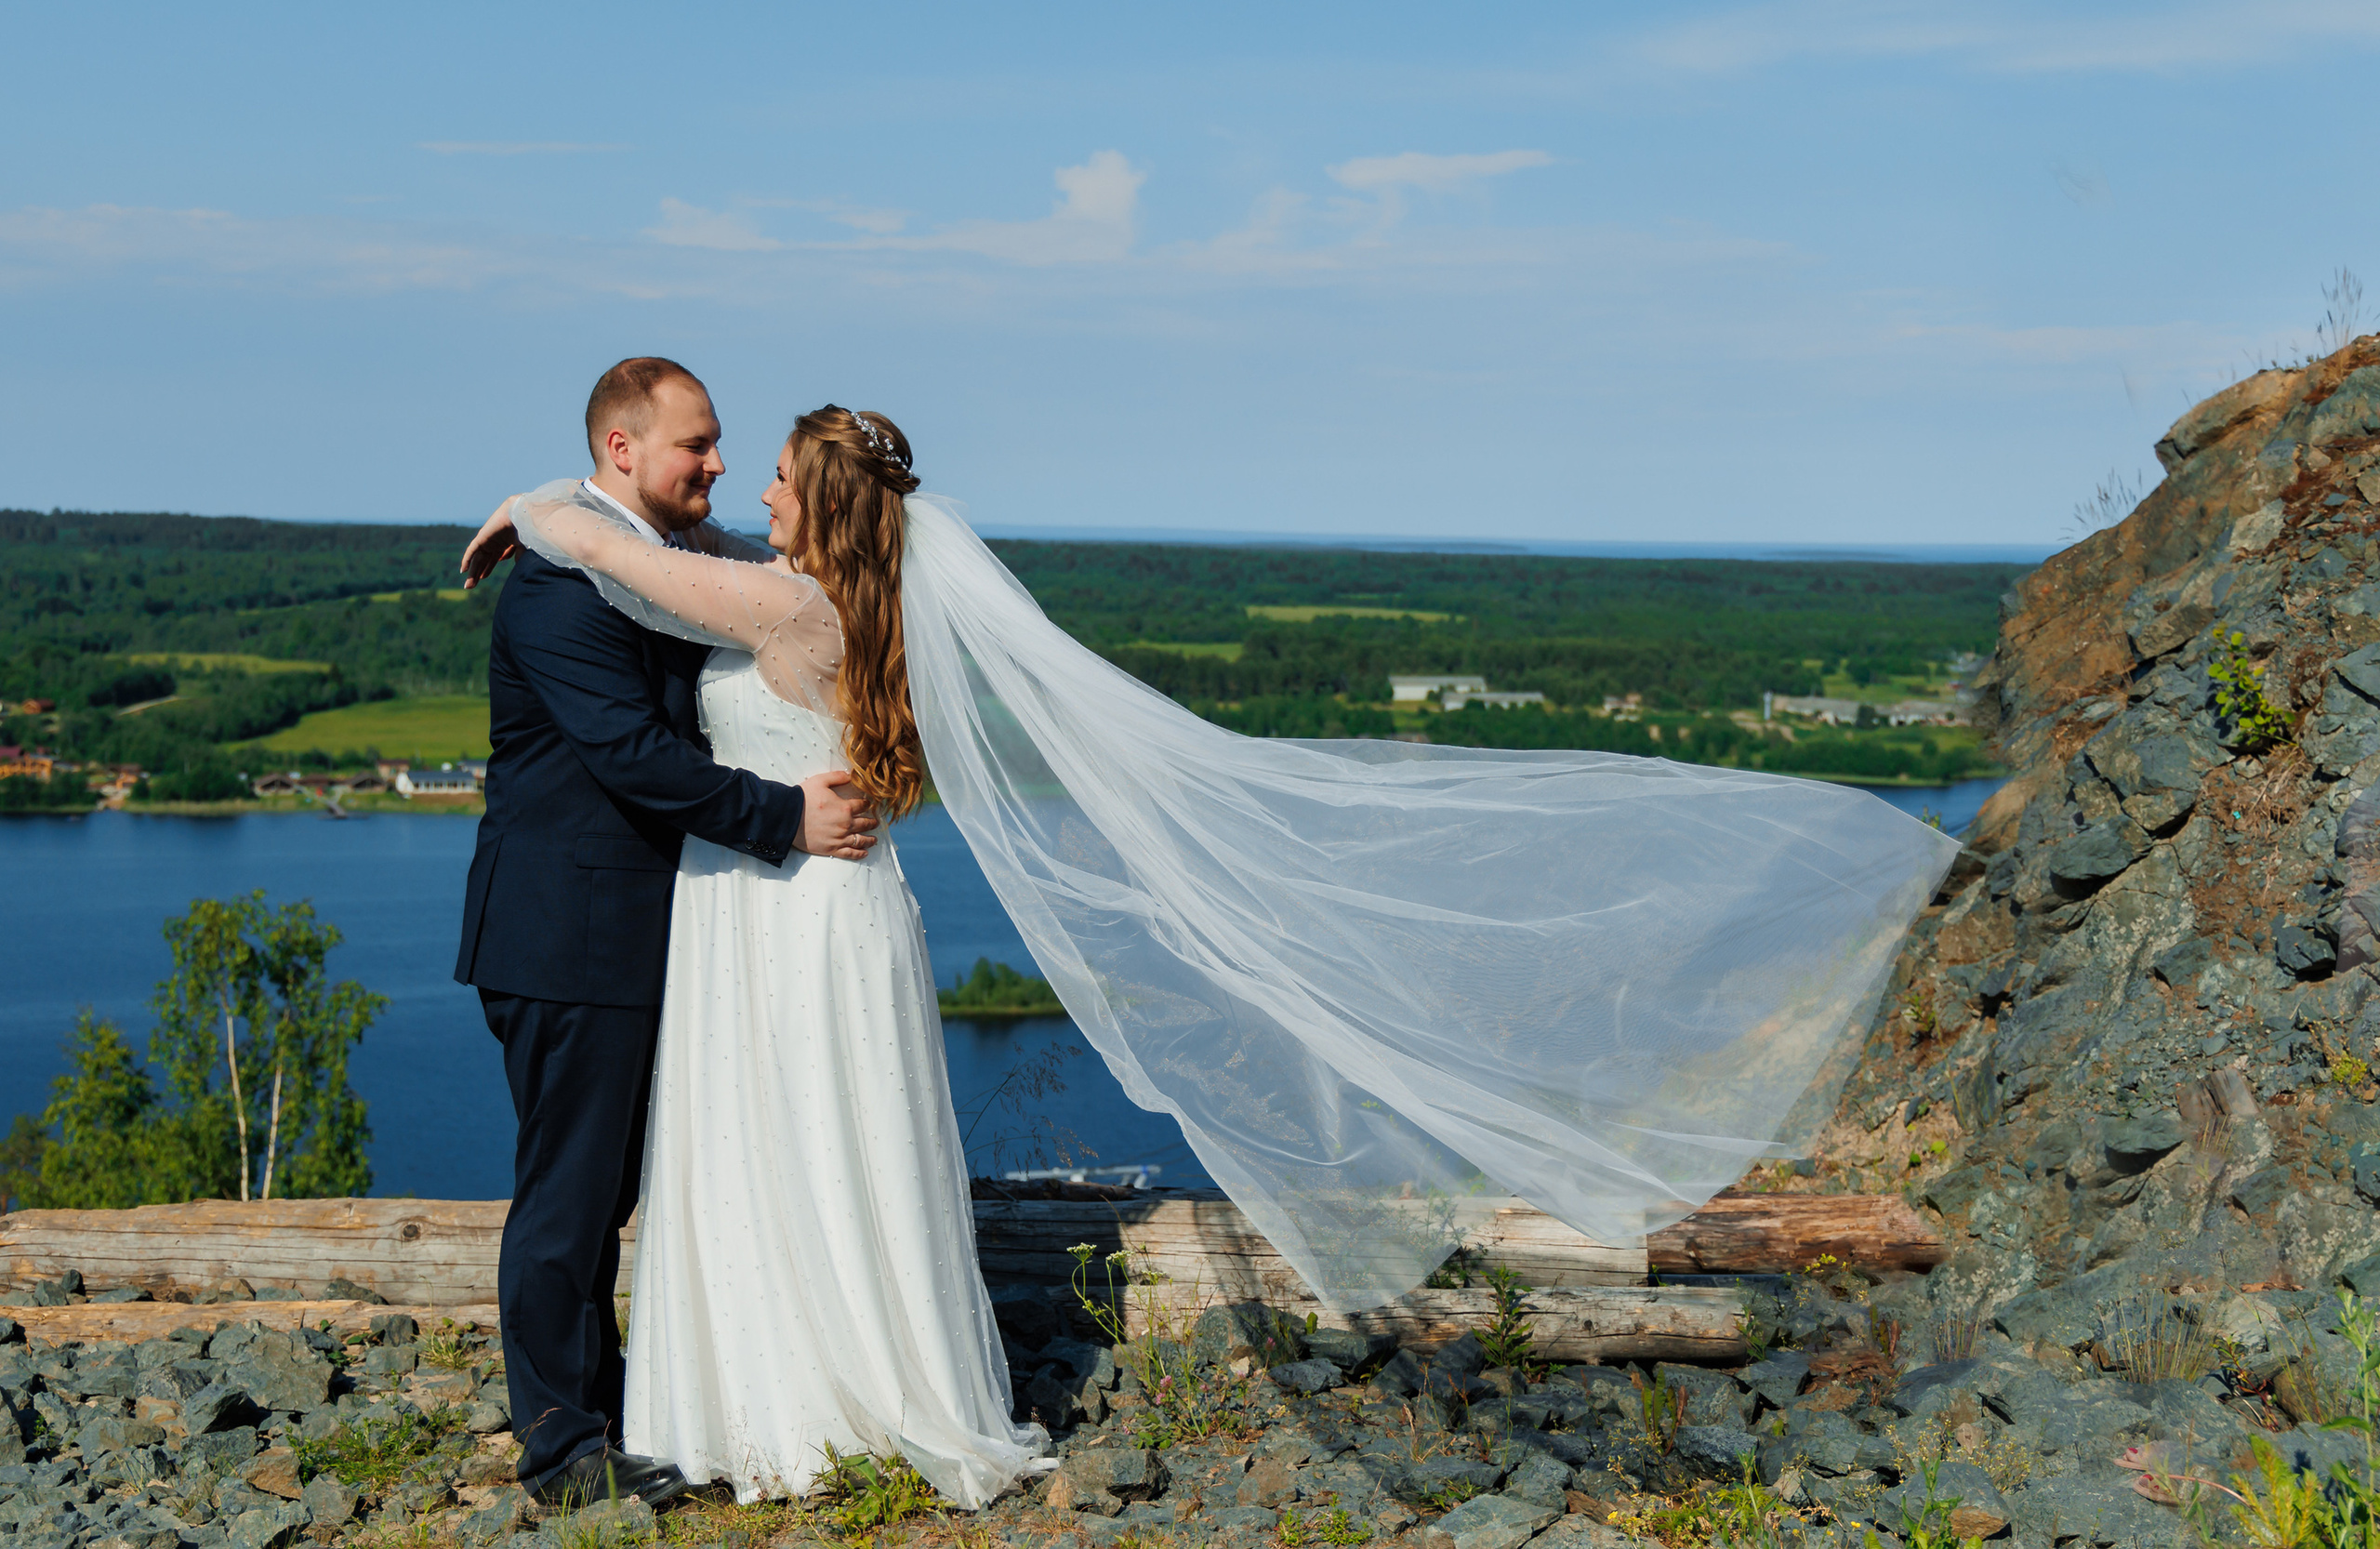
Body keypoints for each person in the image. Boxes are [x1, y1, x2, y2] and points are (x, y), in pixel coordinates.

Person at [464, 396, 1960, 1504]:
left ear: (821, 509)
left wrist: (539, 505)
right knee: (815, 1149)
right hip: (812, 904)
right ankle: (812, 1376)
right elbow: (668, 551)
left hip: (792, 906)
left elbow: (626, 553)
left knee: (788, 1144)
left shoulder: (784, 602)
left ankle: (776, 1397)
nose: (752, 488)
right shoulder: (858, 596)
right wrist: (578, 503)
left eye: (779, 475)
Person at [453, 361, 879, 1509]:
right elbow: (634, 757)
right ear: (624, 449)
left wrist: (535, 500)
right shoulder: (555, 591)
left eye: (722, 442)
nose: (720, 464)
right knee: (570, 1198)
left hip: (636, 934)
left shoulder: (650, 556)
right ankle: (561, 1450)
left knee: (611, 1192)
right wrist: (785, 817)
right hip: (566, 936)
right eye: (698, 444)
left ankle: (610, 1415)